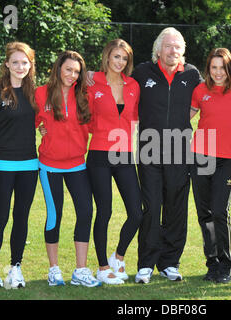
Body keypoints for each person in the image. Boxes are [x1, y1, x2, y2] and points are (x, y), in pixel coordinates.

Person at [132, 27, 203, 283]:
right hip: (149, 149)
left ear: (183, 51)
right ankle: (146, 264)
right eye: (169, 46)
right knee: (151, 206)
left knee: (176, 206)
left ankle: (170, 262)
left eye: (178, 47)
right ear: (158, 50)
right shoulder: (142, 72)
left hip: (181, 150)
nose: (173, 51)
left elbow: (216, 90)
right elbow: (116, 80)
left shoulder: (192, 74)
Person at [190, 48, 231, 283]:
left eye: (223, 67)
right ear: (208, 69)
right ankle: (212, 264)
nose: (218, 73)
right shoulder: (200, 90)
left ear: (230, 69)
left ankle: (227, 266)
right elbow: (183, 115)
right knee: (204, 214)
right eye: (214, 67)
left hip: (225, 159)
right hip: (199, 155)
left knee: (220, 211)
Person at [35, 50, 100, 287]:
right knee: (55, 215)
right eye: (68, 70)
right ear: (58, 69)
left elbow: (97, 124)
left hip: (77, 165)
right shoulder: (41, 93)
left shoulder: (85, 94)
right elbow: (25, 120)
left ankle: (80, 270)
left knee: (85, 212)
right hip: (49, 166)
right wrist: (0, 126)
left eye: (77, 71)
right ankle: (54, 269)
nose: (72, 75)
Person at [0, 41, 38, 288]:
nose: (20, 66)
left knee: (21, 217)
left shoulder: (34, 93)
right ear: (7, 64)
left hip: (29, 165)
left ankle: (16, 267)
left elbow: (40, 121)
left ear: (30, 64)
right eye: (15, 62)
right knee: (1, 217)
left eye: (24, 62)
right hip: (3, 165)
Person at [87, 39, 143, 285]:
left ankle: (118, 257)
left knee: (136, 212)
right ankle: (102, 267)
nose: (120, 62)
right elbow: (83, 118)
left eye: (124, 58)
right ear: (107, 56)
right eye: (116, 56)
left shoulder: (133, 86)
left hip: (124, 154)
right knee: (105, 211)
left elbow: (136, 116)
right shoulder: (92, 82)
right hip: (99, 154)